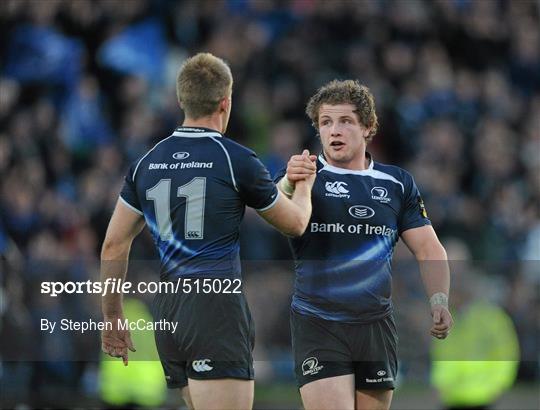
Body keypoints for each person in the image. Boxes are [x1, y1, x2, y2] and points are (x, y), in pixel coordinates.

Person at [100, 52, 316, 410]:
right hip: (215, 305)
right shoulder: (235, 159)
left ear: (182, 100)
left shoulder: (147, 162)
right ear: (225, 102)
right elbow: (295, 223)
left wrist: (112, 316)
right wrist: (304, 185)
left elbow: (113, 244)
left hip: (169, 308)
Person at [275, 79, 453, 410]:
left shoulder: (397, 183)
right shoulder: (304, 174)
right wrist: (286, 182)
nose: (334, 130)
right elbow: (274, 210)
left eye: (345, 121)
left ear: (368, 127)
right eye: (326, 122)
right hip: (318, 321)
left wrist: (439, 299)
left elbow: (429, 249)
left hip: (375, 325)